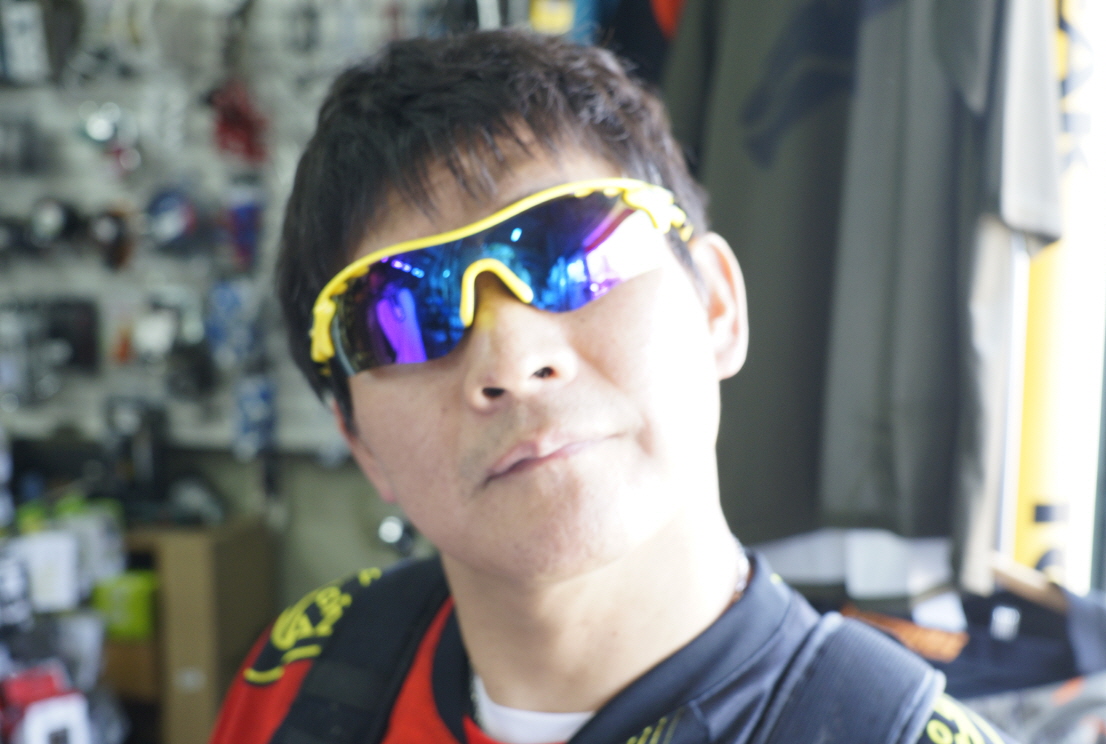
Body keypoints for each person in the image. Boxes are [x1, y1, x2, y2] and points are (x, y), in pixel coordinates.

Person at [210, 30, 1012, 744]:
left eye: (572, 253)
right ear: (359, 441)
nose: (511, 361)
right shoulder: (298, 684)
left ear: (716, 306)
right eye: (401, 316)